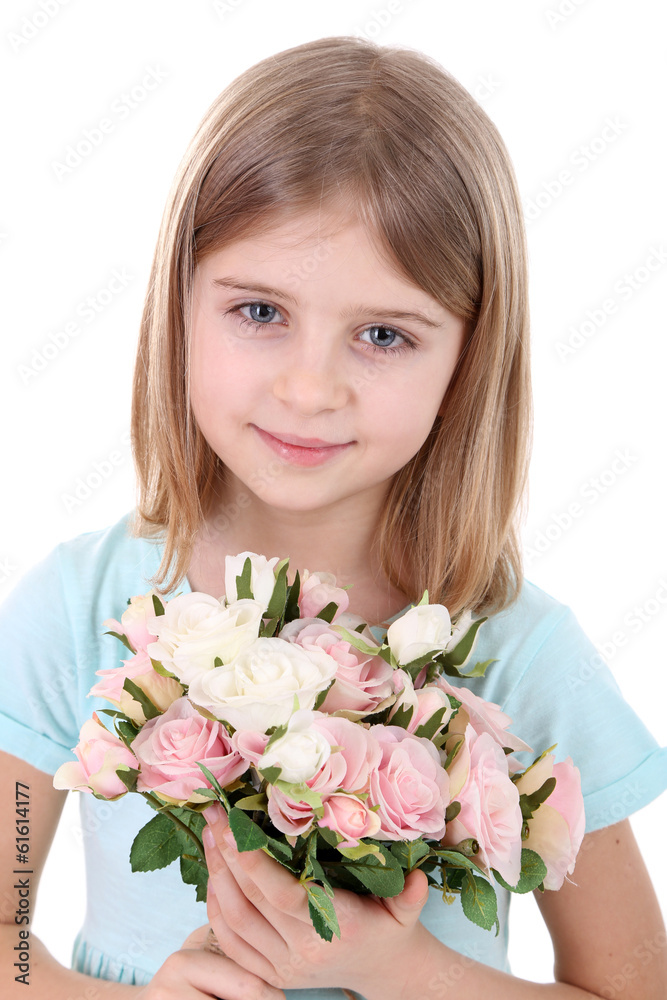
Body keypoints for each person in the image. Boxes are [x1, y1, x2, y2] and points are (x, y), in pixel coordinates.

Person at [1, 34, 665, 1000]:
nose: (310, 389)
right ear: (179, 303)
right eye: (260, 312)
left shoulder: (520, 657)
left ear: (466, 363)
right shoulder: (82, 606)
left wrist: (403, 968)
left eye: (383, 334)